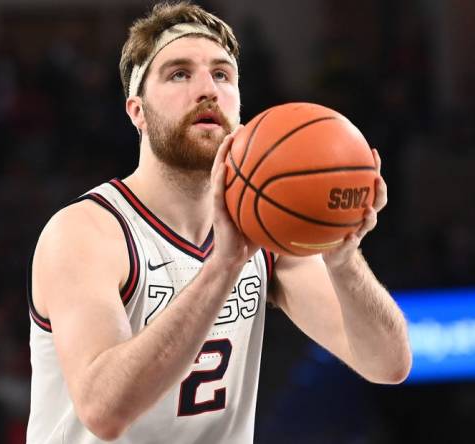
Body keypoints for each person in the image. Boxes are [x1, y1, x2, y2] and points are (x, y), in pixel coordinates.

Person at [26, 2, 412, 443]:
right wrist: (222, 267)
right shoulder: (86, 232)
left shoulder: (268, 230)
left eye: (222, 74)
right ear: (137, 111)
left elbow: (388, 364)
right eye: (179, 74)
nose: (207, 89)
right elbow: (104, 410)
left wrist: (343, 258)